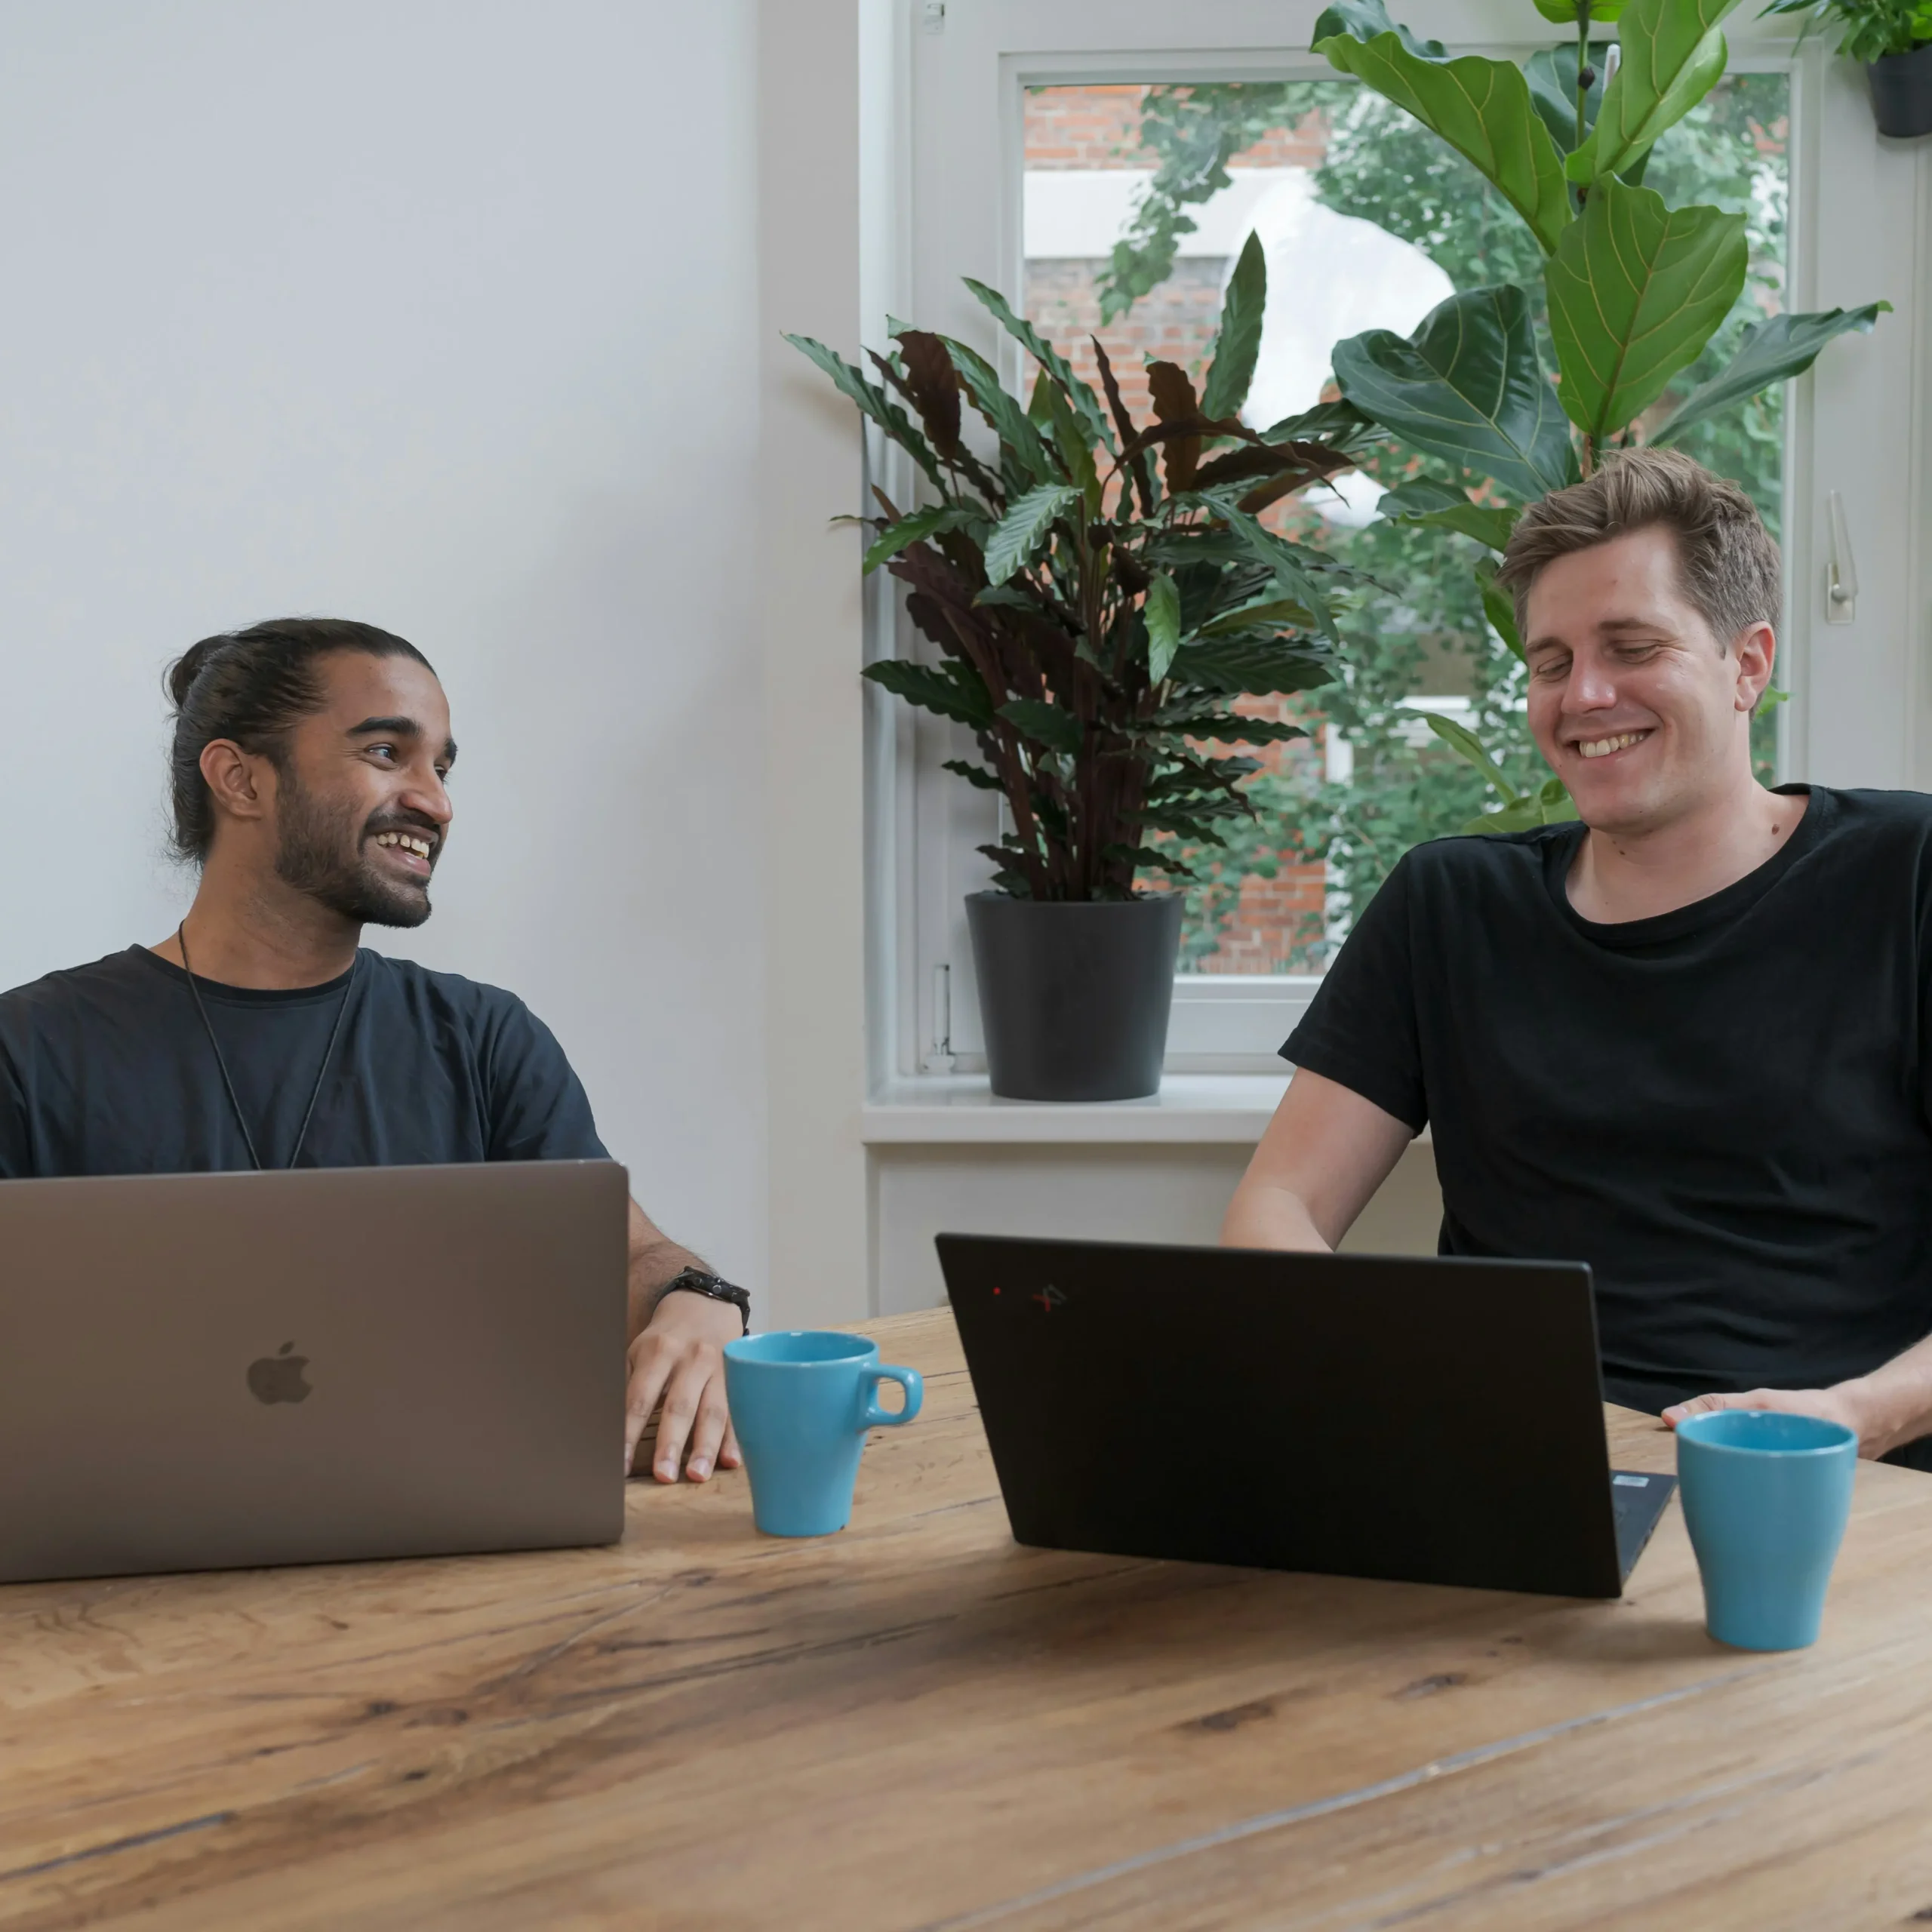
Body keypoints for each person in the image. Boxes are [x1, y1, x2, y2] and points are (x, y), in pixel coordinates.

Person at [1223, 448, 1932, 1472]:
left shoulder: (1905, 876)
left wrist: (1859, 1415)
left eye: (1631, 646)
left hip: (1830, 1484)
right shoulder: (1451, 905)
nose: (1584, 694)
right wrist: (1387, 1373)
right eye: (1550, 663)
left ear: (1748, 664)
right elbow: (1275, 1206)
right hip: (1509, 1472)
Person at [0, 617, 742, 1485]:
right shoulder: (31, 1048)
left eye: (442, 765)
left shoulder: (484, 1039)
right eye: (388, 753)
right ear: (240, 779)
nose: (435, 800)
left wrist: (698, 1301)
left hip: (439, 1559)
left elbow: (629, 1257)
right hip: (113, 1579)